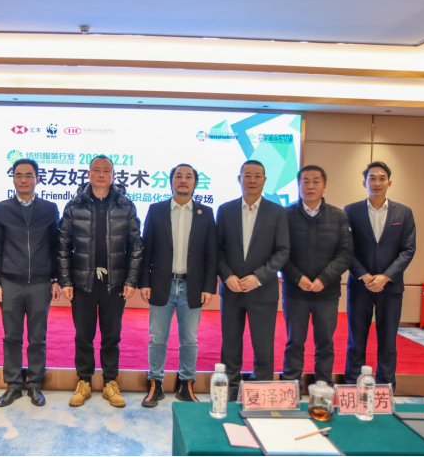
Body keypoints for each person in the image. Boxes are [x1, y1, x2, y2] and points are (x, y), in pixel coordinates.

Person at [58, 156, 143, 408]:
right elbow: (62, 246)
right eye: (97, 170)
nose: (102, 174)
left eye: (107, 170)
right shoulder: (74, 206)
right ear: (89, 174)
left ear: (113, 175)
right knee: (83, 336)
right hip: (82, 282)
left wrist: (130, 279)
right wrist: (65, 280)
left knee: (111, 336)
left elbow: (136, 245)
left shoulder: (125, 206)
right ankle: (84, 381)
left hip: (113, 282)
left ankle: (109, 383)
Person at [140, 164, 217, 407]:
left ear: (195, 182)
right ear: (171, 181)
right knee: (157, 338)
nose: (183, 180)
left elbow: (211, 253)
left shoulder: (206, 213)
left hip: (192, 286)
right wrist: (144, 282)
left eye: (188, 176)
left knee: (190, 339)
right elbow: (146, 248)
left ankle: (186, 384)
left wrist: (209, 286)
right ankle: (155, 383)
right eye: (178, 176)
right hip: (161, 283)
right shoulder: (156, 210)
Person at [0, 159, 61, 408]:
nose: (23, 180)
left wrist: (56, 279)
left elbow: (56, 246)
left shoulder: (49, 209)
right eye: (19, 175)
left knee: (38, 337)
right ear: (13, 179)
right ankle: (13, 385)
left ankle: (34, 384)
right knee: (12, 336)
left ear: (37, 179)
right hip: (10, 282)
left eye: (29, 175)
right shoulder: (1, 209)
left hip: (40, 283)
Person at [216, 160, 290, 401]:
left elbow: (282, 251)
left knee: (263, 346)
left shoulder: (277, 212)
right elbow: (217, 249)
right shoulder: (225, 210)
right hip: (232, 289)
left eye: (257, 175)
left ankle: (262, 391)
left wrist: (258, 277)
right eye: (247, 175)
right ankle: (229, 390)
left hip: (262, 290)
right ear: (239, 179)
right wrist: (227, 276)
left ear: (265, 180)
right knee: (230, 345)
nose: (252, 180)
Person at [345, 161, 416, 390]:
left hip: (390, 288)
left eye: (382, 178)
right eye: (372, 178)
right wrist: (364, 276)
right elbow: (346, 249)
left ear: (389, 182)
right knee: (356, 340)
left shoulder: (403, 212)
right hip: (360, 286)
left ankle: (386, 387)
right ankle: (352, 386)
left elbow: (408, 249)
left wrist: (386, 277)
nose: (377, 182)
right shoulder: (351, 211)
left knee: (388, 341)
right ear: (364, 182)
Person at [281, 166, 354, 387]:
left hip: (327, 292)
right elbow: (280, 253)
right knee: (294, 342)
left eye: (315, 181)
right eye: (305, 181)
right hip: (295, 291)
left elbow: (345, 253)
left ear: (324, 186)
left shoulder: (339, 216)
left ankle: (323, 386)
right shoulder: (285, 215)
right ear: (298, 185)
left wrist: (324, 279)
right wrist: (298, 278)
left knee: (325, 342)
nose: (310, 186)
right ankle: (291, 385)